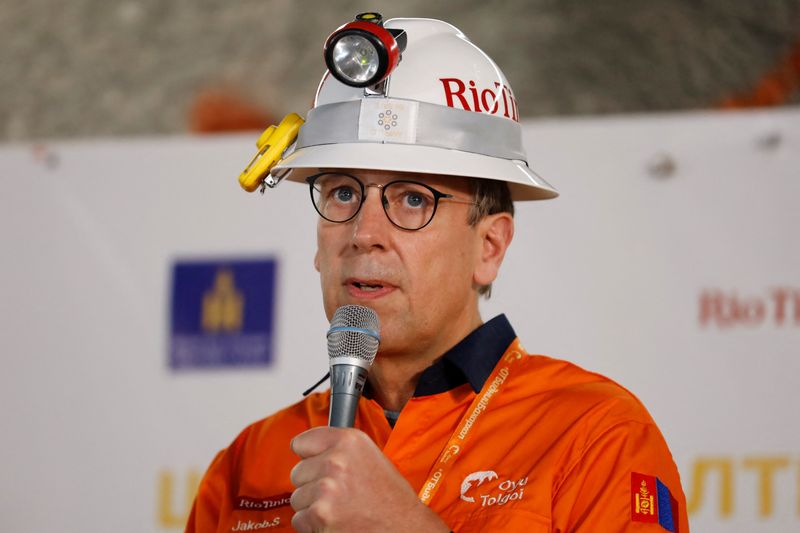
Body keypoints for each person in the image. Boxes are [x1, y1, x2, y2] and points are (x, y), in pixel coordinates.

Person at [188, 14, 689, 533]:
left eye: (412, 199)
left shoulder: (596, 433)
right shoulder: (248, 464)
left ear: (489, 247)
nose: (364, 232)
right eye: (342, 193)